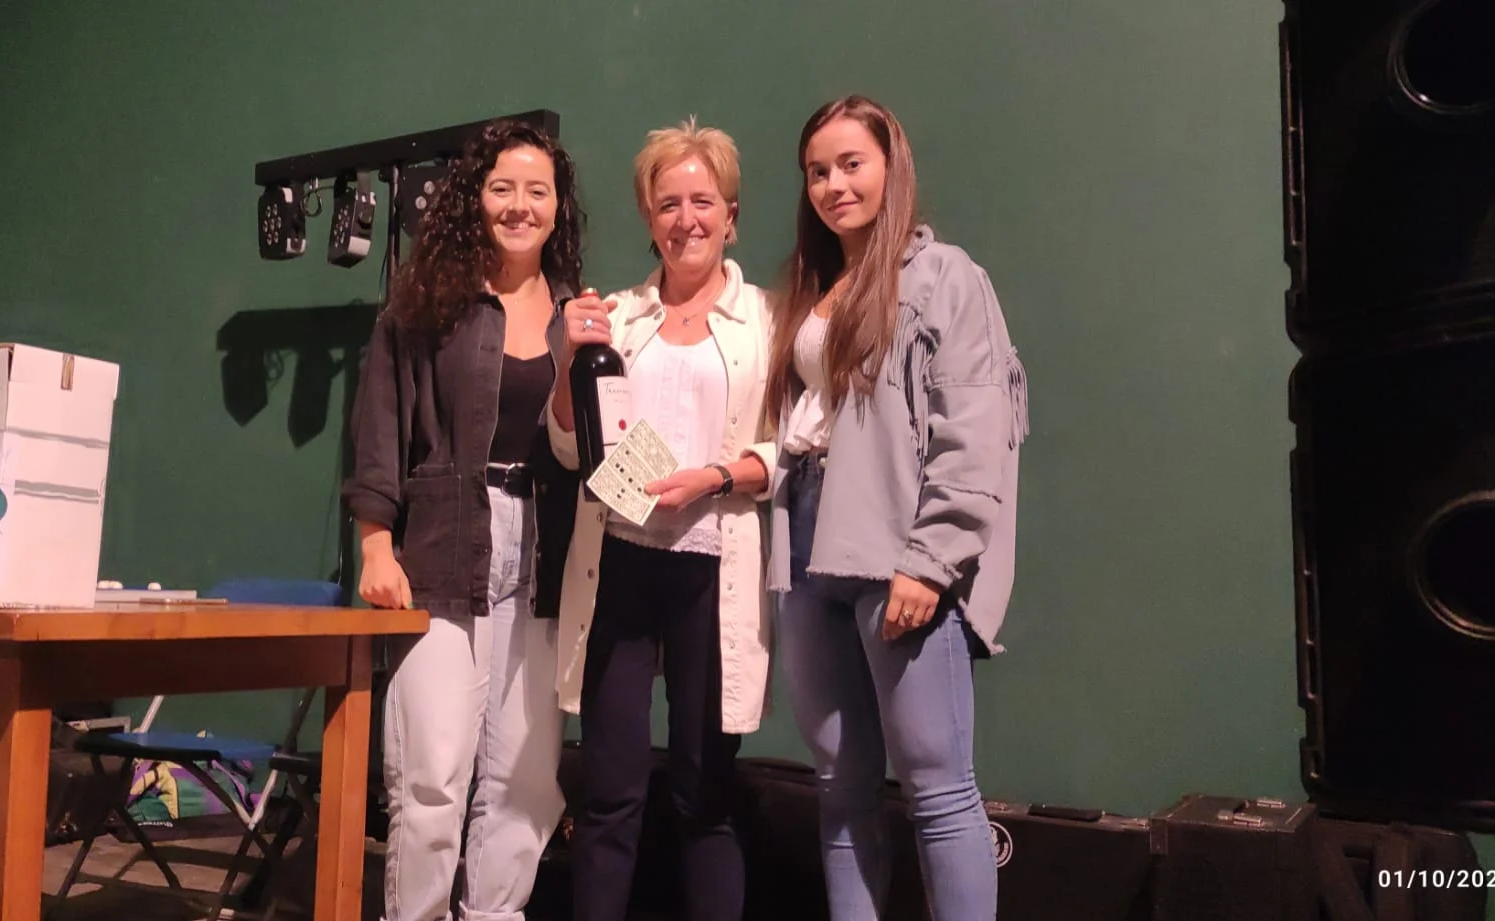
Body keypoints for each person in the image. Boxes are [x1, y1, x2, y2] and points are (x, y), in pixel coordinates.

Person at [764, 95, 1028, 921]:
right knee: (840, 784)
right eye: (818, 171)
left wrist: (931, 557)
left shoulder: (945, 275)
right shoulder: (814, 288)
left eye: (852, 164)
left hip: (895, 547)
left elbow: (974, 429)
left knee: (937, 785)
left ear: (891, 166)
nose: (834, 185)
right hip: (807, 540)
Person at [342, 119, 587, 921]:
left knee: (527, 783)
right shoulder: (426, 301)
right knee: (431, 779)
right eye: (502, 187)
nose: (520, 205)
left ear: (558, 206)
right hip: (442, 550)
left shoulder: (578, 312)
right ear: (474, 197)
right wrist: (376, 545)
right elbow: (380, 425)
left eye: (537, 191)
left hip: (546, 556)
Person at [547, 118, 777, 921]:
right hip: (620, 563)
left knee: (704, 791)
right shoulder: (618, 318)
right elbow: (569, 446)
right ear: (649, 217)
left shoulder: (768, 323)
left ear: (730, 215)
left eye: (702, 201)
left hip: (714, 569)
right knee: (609, 790)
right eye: (668, 203)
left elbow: (793, 450)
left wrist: (716, 477)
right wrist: (567, 365)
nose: (686, 219)